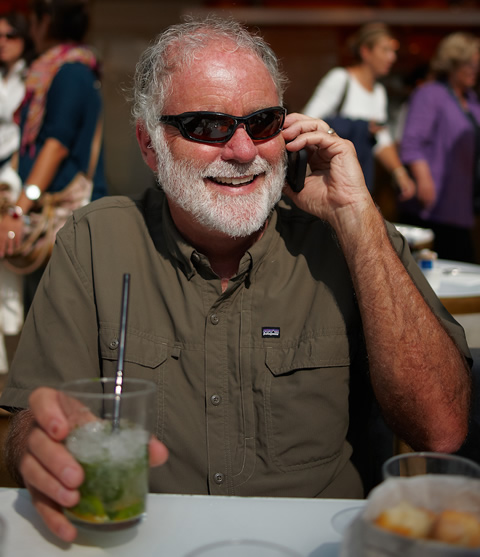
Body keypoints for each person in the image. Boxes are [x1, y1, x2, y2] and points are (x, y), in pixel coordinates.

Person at [0, 16, 473, 543]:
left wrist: (357, 217)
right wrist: (39, 444)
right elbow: (31, 429)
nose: (245, 152)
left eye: (265, 123)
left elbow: (442, 429)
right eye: (207, 126)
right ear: (150, 144)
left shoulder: (352, 239)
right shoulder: (96, 243)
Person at [0, 0, 108, 312]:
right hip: (48, 214)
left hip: (64, 219)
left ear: (44, 22)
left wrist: (19, 210)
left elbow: (56, 145)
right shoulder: (52, 71)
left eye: (32, 20)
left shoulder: (70, 73)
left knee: (54, 319)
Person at [303, 22, 415, 200]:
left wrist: (399, 172)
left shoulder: (379, 92)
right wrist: (360, 127)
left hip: (358, 177)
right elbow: (308, 121)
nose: (392, 57)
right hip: (328, 176)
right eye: (385, 50)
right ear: (365, 51)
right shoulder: (341, 79)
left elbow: (381, 140)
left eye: (393, 52)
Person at [399, 32, 480, 263]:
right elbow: (412, 142)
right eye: (469, 64)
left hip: (461, 201)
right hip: (434, 203)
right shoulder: (429, 94)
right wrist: (424, 181)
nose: (475, 69)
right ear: (453, 63)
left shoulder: (471, 99)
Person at [0, 11, 34, 373]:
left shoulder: (33, 75)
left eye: (11, 34)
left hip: (17, 182)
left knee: (13, 265)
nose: (3, 40)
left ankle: (17, 370)